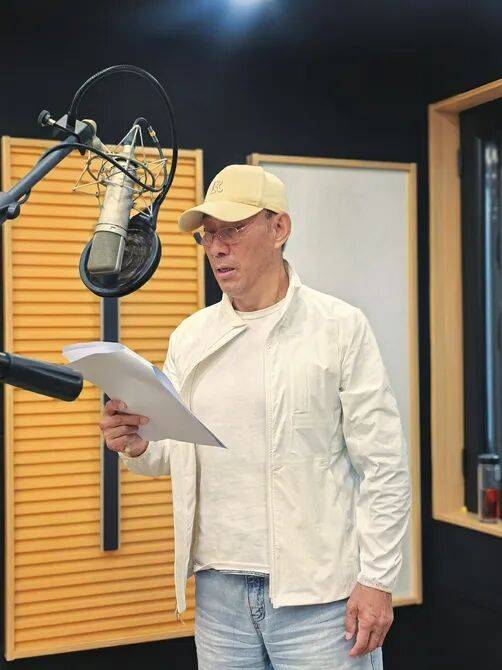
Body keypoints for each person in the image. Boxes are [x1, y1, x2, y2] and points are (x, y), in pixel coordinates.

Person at [99, 164, 412, 669]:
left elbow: (384, 466)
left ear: (279, 228)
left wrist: (376, 579)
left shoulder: (340, 328)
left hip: (321, 600)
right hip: (219, 595)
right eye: (208, 235)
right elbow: (177, 451)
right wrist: (138, 444)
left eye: (233, 230)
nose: (217, 248)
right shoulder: (191, 337)